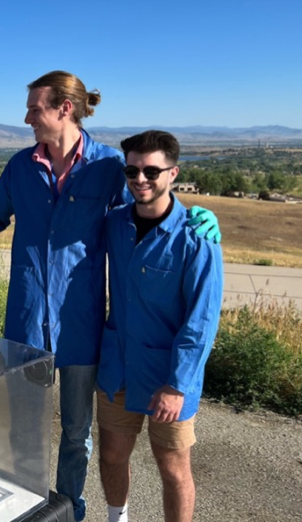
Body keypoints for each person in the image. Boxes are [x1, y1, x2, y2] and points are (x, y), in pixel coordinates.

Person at [0, 71, 221, 521]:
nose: (27, 117)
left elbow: (146, 205)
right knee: (23, 430)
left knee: (77, 434)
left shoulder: (110, 167)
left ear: (64, 109)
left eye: (35, 109)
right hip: (26, 321)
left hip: (82, 326)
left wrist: (193, 217)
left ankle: (69, 510)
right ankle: (28, 506)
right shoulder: (20, 166)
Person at [97, 130, 223, 522]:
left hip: (169, 376)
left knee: (173, 469)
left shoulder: (196, 239)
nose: (140, 180)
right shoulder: (114, 224)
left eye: (152, 171)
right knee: (112, 456)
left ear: (173, 173)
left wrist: (177, 385)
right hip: (118, 367)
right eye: (132, 171)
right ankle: (118, 517)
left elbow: (201, 321)